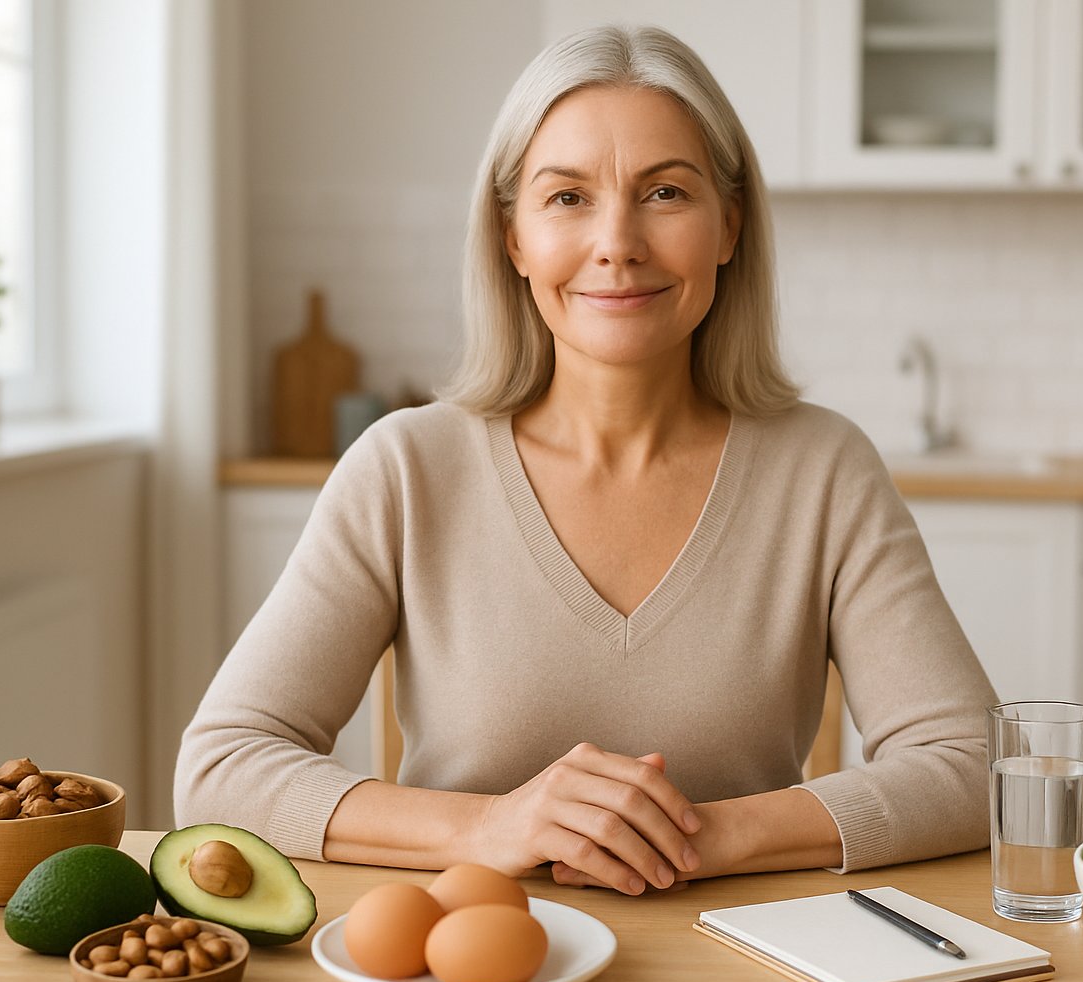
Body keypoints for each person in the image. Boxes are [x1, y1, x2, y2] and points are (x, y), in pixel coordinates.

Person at [175, 25, 997, 897]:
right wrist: (492, 826)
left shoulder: (825, 470)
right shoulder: (405, 469)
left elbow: (975, 764)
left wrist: (708, 836)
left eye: (666, 192)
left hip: (744, 971)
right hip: (466, 976)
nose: (618, 242)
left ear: (729, 224)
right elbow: (222, 766)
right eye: (567, 198)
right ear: (513, 239)